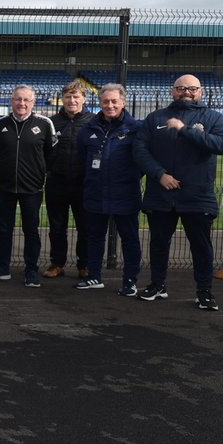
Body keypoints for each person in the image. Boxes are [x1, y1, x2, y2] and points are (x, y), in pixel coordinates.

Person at [133, 74, 223, 310]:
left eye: (192, 88)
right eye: (181, 88)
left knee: (201, 245)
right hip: (160, 193)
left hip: (197, 195)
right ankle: (158, 285)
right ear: (172, 91)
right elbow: (140, 149)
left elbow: (221, 145)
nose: (186, 92)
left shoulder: (214, 118)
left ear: (201, 91)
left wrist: (185, 129)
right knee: (158, 243)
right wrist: (160, 175)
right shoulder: (155, 117)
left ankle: (204, 291)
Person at [73, 84, 142, 297]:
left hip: (125, 194)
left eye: (114, 101)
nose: (110, 105)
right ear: (100, 103)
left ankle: (130, 281)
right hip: (95, 193)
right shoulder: (88, 129)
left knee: (129, 238)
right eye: (105, 101)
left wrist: (126, 179)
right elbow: (82, 159)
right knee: (94, 236)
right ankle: (94, 276)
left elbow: (142, 161)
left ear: (123, 102)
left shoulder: (135, 128)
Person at [0, 85, 56, 287]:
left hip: (32, 188)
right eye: (18, 99)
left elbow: (50, 154)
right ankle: (2, 267)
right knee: (4, 229)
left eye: (26, 100)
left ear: (33, 102)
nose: (22, 103)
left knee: (31, 230)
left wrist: (37, 174)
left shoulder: (43, 123)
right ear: (11, 101)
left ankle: (31, 270)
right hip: (4, 187)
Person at [45, 81, 95, 279]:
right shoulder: (51, 122)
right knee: (57, 227)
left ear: (84, 98)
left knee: (85, 227)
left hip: (84, 183)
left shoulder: (93, 121)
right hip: (57, 182)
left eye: (76, 97)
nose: (72, 100)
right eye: (68, 97)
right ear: (63, 99)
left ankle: (85, 265)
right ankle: (57, 264)